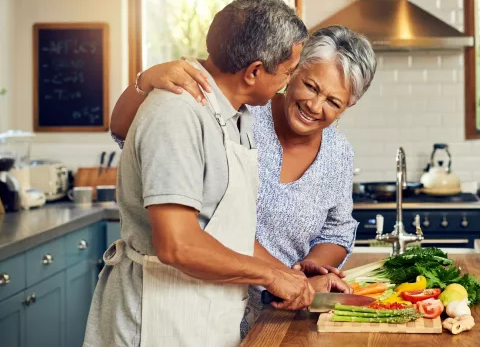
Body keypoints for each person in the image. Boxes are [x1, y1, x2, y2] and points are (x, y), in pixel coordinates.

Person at [83, 0, 324, 347]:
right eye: (287, 73)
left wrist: (291, 277)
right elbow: (178, 245)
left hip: (202, 315)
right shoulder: (177, 113)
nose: (287, 86)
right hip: (157, 320)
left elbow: (225, 232)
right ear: (255, 71)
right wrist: (270, 277)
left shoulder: (235, 113)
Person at [110, 25, 377, 338]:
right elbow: (127, 129)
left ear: (349, 106)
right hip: (200, 299)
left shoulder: (339, 153)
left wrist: (300, 274)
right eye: (311, 86)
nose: (315, 106)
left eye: (333, 102)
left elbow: (337, 229)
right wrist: (146, 81)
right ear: (293, 70)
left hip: (284, 306)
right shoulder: (242, 111)